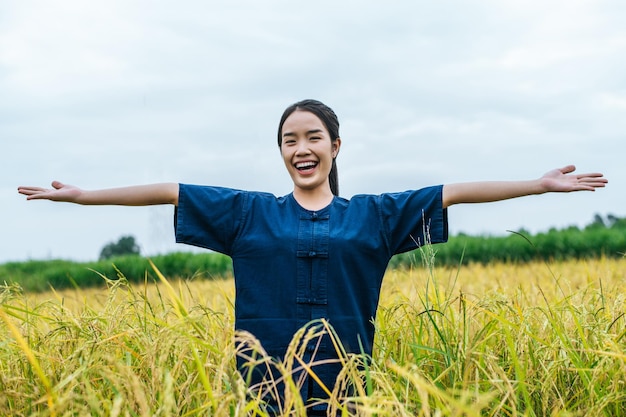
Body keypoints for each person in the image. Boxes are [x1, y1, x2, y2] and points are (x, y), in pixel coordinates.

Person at [18, 99, 608, 415]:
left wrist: (537, 185)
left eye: (312, 137)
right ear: (281, 151)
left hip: (348, 390)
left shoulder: (374, 216)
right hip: (263, 392)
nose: (301, 149)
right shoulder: (247, 213)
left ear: (334, 146)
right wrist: (82, 197)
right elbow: (169, 190)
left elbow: (452, 191)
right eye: (289, 140)